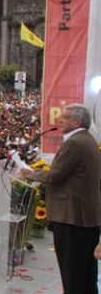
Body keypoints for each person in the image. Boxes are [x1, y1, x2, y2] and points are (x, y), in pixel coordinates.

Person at [23, 104, 101, 294]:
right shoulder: (88, 139)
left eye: (64, 118)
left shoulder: (74, 142)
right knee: (86, 275)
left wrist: (29, 173)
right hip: (85, 217)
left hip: (72, 218)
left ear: (77, 121)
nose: (60, 121)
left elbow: (55, 176)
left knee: (72, 273)